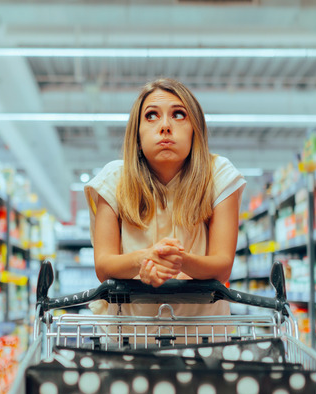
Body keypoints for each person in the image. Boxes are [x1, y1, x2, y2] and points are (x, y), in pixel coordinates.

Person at [84, 78, 246, 318]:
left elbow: (222, 265)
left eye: (179, 114)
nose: (165, 126)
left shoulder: (218, 175)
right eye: (151, 116)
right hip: (130, 333)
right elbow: (104, 265)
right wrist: (145, 259)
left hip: (202, 334)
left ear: (195, 131)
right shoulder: (114, 178)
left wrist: (178, 261)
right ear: (137, 135)